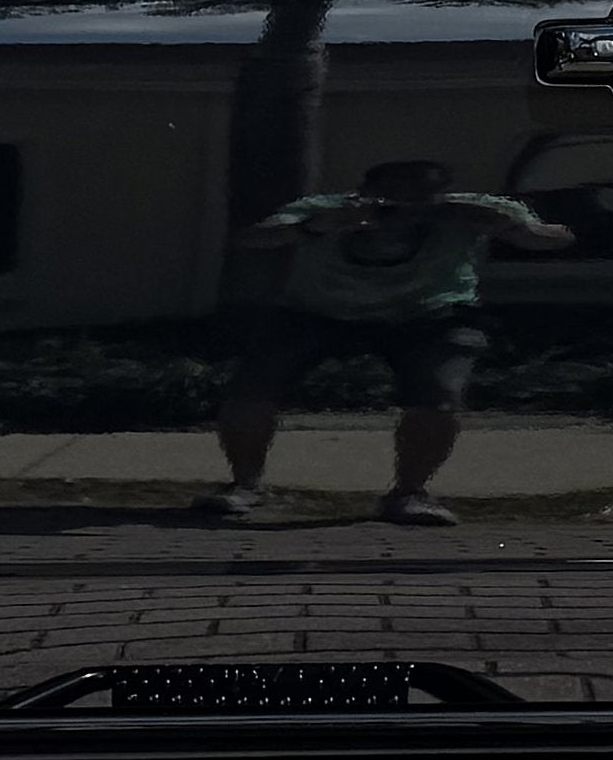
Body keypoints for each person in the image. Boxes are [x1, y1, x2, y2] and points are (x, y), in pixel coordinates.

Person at [199, 158, 574, 525]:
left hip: (429, 314)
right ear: (362, 193)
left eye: (420, 197)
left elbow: (556, 238)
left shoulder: (468, 210)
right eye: (388, 199)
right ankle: (245, 485)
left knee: (439, 396)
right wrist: (315, 228)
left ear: (441, 196)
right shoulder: (325, 208)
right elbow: (252, 239)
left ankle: (410, 493)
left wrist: (508, 228)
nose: (402, 210)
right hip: (317, 311)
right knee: (253, 386)